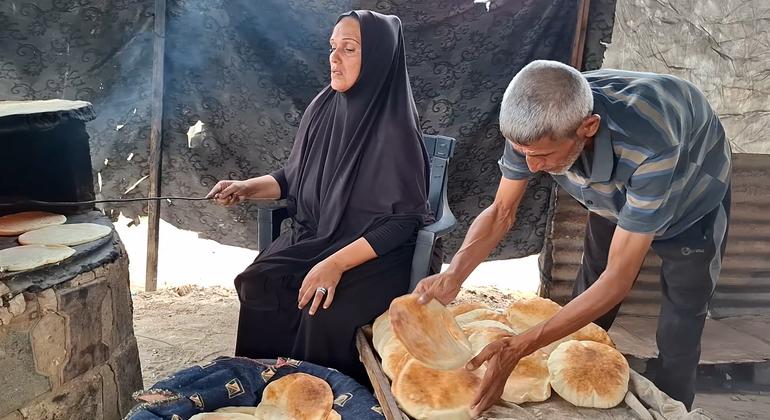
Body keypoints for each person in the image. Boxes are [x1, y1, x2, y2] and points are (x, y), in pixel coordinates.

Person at [414, 60, 731, 416]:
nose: (531, 167)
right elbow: (501, 212)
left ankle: (674, 405)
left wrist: (520, 347)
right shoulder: (534, 123)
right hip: (613, 188)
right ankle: (579, 369)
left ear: (588, 127)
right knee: (590, 280)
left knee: (682, 315)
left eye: (543, 156)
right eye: (523, 154)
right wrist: (454, 275)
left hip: (692, 196)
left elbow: (618, 279)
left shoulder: (651, 145)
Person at [206, 10, 431, 385]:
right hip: (320, 237)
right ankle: (266, 389)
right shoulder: (324, 107)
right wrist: (247, 187)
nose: (334, 58)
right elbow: (293, 178)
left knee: (323, 309)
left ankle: (331, 398)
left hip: (372, 255)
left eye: (349, 49)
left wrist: (337, 264)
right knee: (260, 281)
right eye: (332, 47)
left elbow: (402, 222)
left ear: (376, 56)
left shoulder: (396, 129)